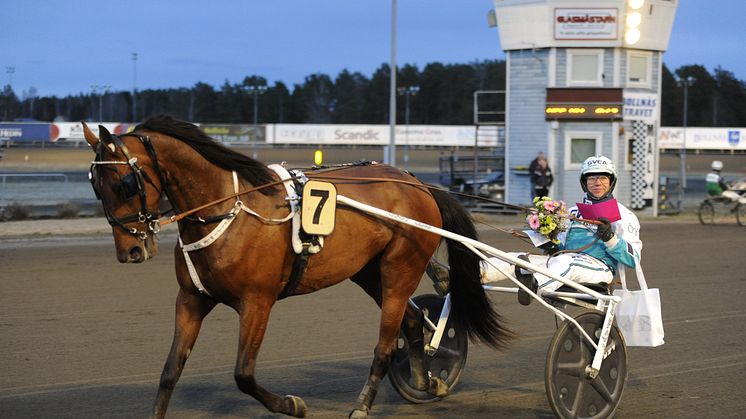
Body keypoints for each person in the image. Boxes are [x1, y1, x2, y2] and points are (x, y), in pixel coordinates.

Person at [481, 155, 642, 305]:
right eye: (591, 178)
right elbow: (561, 249)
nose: (597, 182)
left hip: (599, 268)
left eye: (602, 177)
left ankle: (536, 284)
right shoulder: (571, 212)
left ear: (611, 181)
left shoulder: (623, 215)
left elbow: (633, 259)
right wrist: (550, 244)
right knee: (515, 259)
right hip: (563, 262)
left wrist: (610, 238)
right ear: (584, 183)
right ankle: (470, 275)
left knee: (566, 262)